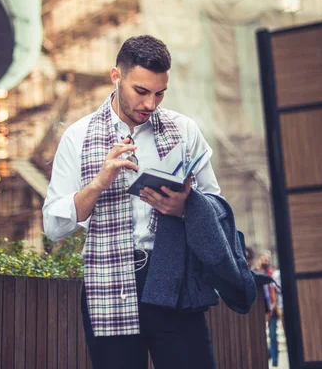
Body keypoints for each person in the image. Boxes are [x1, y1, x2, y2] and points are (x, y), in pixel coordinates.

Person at [43, 35, 256, 369]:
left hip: (174, 280)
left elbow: (217, 205)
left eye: (159, 93)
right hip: (109, 285)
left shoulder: (185, 131)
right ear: (117, 77)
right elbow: (54, 225)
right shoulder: (78, 136)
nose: (150, 103)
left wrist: (187, 206)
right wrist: (100, 182)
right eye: (141, 91)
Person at [256, 251, 279, 367]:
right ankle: (267, 355)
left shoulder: (272, 274)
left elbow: (274, 291)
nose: (266, 261)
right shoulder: (256, 273)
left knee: (273, 334)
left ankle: (274, 360)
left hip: (272, 308)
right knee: (261, 335)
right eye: (264, 259)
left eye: (267, 259)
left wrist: (273, 306)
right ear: (260, 260)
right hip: (261, 309)